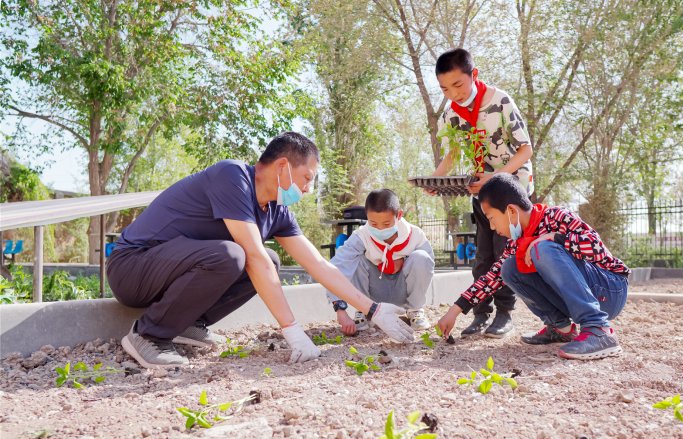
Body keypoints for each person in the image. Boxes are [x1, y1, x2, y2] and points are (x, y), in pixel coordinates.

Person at [107, 132, 414, 369]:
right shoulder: (232, 178)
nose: (307, 189)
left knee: (270, 259)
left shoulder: (277, 210)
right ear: (283, 166)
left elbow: (318, 264)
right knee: (236, 256)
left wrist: (374, 310)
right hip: (132, 267)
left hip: (166, 272)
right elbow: (251, 256)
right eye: (307, 178)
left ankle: (187, 323)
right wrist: (292, 330)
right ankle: (148, 335)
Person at [436, 174, 630, 360]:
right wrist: (454, 312)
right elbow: (491, 279)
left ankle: (599, 330)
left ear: (511, 211)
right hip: (589, 292)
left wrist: (555, 238)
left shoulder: (556, 216)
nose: (493, 227)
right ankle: (560, 328)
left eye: (492, 218)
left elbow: (596, 248)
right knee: (509, 268)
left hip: (610, 289)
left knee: (542, 247)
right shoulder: (516, 241)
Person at [430, 48, 534, 338]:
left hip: (510, 191)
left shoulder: (499, 101)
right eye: (444, 89)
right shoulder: (451, 113)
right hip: (481, 191)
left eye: (458, 85)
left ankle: (504, 314)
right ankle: (480, 314)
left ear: (473, 75)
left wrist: (497, 175)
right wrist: (434, 180)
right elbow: (452, 154)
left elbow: (526, 149)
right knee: (482, 257)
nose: (453, 94)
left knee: (504, 254)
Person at [326, 189, 435, 335]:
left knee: (421, 257)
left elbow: (427, 267)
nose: (380, 229)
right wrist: (339, 308)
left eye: (386, 223)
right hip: (372, 295)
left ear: (399, 215)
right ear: (367, 216)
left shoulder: (415, 235)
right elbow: (335, 267)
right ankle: (364, 311)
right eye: (374, 223)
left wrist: (404, 260)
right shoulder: (362, 236)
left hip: (403, 290)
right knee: (355, 259)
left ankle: (415, 311)